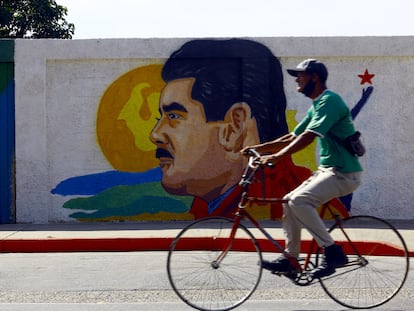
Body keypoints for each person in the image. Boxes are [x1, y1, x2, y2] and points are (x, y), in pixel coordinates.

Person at [150, 39, 311, 219]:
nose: (155, 134)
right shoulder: (209, 205)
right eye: (161, 117)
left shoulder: (283, 200)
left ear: (234, 127)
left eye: (174, 116)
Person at [244, 59, 363, 278]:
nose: (297, 80)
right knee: (289, 201)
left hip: (344, 173)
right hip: (328, 171)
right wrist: (258, 148)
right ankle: (291, 258)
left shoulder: (330, 101)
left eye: (301, 75)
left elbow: (309, 136)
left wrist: (278, 157)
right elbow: (293, 136)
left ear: (315, 77)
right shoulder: (317, 105)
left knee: (300, 200)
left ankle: (332, 251)